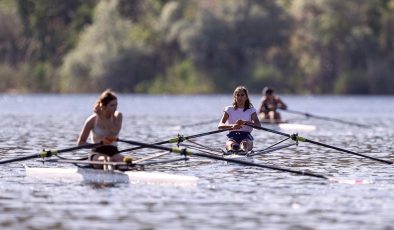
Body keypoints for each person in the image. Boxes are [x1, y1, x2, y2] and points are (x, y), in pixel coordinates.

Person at [77, 89, 124, 168]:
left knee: (126, 161)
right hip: (97, 153)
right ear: (104, 106)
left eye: (116, 105)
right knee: (107, 160)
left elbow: (113, 132)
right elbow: (80, 143)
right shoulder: (92, 120)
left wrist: (102, 117)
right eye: (112, 105)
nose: (115, 108)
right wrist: (96, 145)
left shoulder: (118, 116)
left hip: (114, 151)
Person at [218, 86, 261, 153]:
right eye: (237, 95)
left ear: (246, 97)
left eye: (242, 95)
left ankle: (243, 152)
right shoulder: (229, 109)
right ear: (235, 97)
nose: (239, 97)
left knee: (244, 144)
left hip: (246, 137)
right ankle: (230, 152)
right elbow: (220, 126)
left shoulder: (251, 110)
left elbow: (258, 126)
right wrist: (232, 126)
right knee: (230, 144)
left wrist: (246, 122)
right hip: (233, 136)